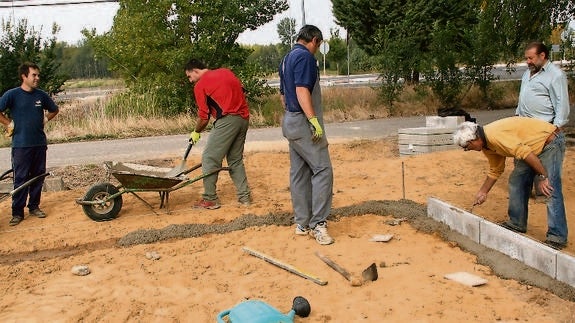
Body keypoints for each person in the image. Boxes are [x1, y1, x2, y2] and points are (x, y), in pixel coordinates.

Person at [453, 116, 567, 250]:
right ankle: (517, 223)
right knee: (516, 180)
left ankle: (557, 236)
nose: (467, 150)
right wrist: (483, 191)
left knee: (549, 188)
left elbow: (526, 153)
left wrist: (542, 176)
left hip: (549, 143)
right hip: (530, 149)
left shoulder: (495, 136)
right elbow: (496, 169)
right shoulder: (487, 145)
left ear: (474, 139)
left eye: (467, 146)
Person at [278, 25, 334, 245]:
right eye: (318, 45)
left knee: (299, 173)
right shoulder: (306, 58)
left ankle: (301, 223)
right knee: (323, 170)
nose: (317, 49)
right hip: (303, 123)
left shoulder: (286, 58)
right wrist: (312, 121)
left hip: (290, 121)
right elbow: (302, 91)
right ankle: (318, 224)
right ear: (315, 40)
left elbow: (283, 96)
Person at [184, 59, 251, 209]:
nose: (190, 80)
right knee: (235, 160)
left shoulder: (200, 85)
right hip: (244, 118)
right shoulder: (226, 72)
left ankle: (210, 199)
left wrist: (196, 132)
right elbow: (243, 92)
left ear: (195, 70)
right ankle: (245, 198)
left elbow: (203, 116)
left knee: (209, 158)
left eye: (189, 76)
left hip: (227, 120)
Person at [0, 62, 59, 226]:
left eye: (38, 75)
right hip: (20, 145)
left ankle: (34, 206)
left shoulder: (41, 96)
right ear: (24, 76)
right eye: (34, 75)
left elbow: (54, 109)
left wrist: (46, 119)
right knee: (20, 178)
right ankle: (17, 212)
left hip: (39, 144)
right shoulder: (12, 95)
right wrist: (7, 123)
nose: (37, 78)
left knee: (37, 177)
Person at [516, 41, 570, 197]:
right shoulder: (528, 73)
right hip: (524, 132)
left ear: (542, 55)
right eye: (526, 58)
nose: (528, 62)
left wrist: (555, 130)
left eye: (531, 58)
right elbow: (523, 99)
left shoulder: (556, 75)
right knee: (518, 178)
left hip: (545, 133)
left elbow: (562, 105)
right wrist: (517, 117)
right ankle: (516, 221)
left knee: (550, 183)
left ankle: (555, 220)